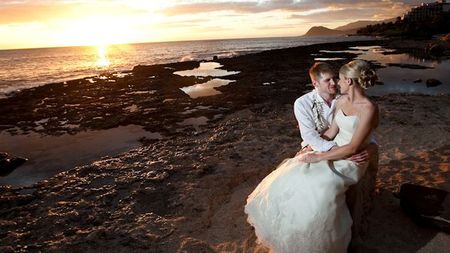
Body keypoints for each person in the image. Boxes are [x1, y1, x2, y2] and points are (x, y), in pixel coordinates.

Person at [245, 60, 379, 253]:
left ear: (349, 81)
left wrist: (368, 148)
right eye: (329, 80)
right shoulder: (310, 102)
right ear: (316, 84)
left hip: (350, 154)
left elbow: (360, 140)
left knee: (323, 186)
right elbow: (324, 133)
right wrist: (314, 150)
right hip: (330, 148)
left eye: (337, 78)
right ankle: (293, 226)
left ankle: (347, 236)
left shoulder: (366, 107)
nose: (335, 83)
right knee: (296, 172)